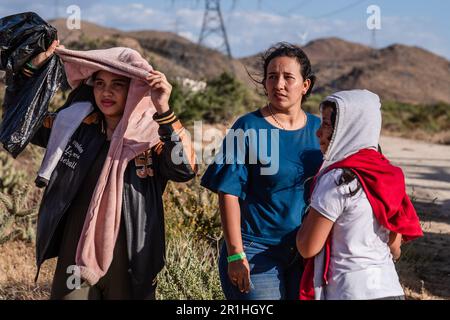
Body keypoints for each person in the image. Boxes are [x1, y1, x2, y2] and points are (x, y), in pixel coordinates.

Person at [17, 40, 197, 299]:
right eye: (100, 83)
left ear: (134, 89)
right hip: (75, 256)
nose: (106, 92)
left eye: (117, 85)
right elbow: (23, 124)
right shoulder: (74, 127)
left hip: (131, 260)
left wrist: (164, 112)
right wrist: (30, 72)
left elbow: (185, 169)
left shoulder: (152, 138)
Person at [200, 42, 323, 299]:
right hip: (255, 253)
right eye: (272, 77)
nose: (278, 84)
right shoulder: (247, 126)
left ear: (305, 85)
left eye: (288, 77)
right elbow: (228, 192)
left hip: (306, 253)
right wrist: (235, 253)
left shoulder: (320, 131)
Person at [296, 89, 423, 300]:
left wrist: (299, 231)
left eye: (326, 125)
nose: (318, 133)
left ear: (348, 129)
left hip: (349, 291)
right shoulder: (388, 176)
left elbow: (308, 247)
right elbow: (395, 249)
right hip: (390, 289)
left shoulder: (338, 179)